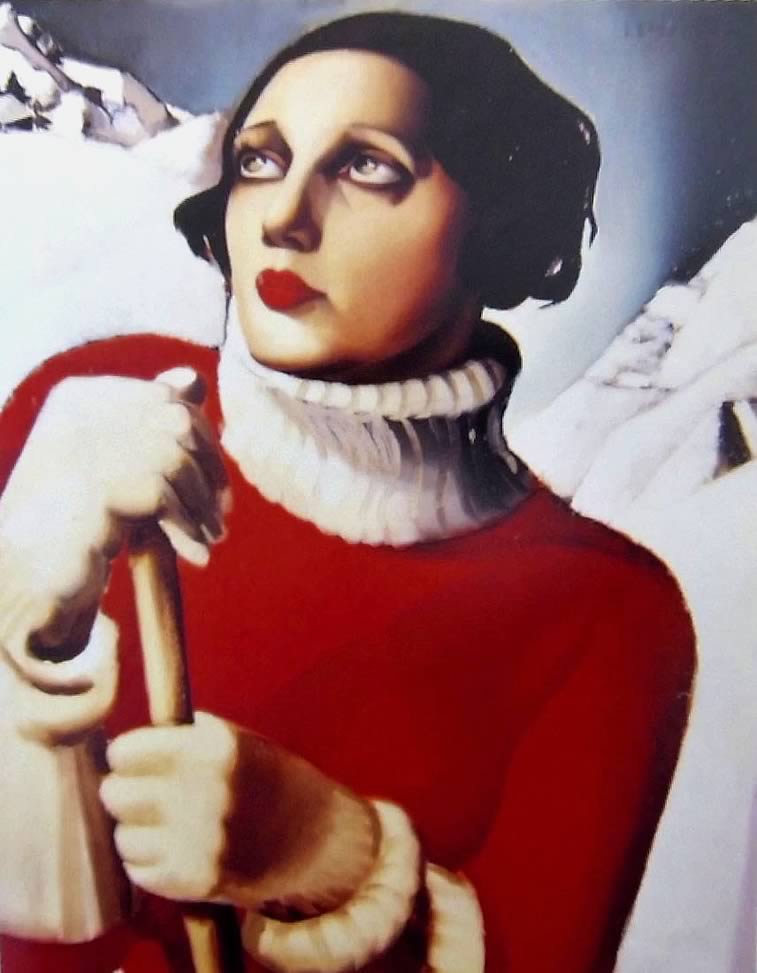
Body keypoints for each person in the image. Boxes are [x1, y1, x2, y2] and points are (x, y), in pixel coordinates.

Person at [0, 12, 695, 973]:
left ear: (493, 220)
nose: (283, 218)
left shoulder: (607, 610)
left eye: (366, 166)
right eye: (259, 161)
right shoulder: (90, 406)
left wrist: (340, 857)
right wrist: (20, 586)